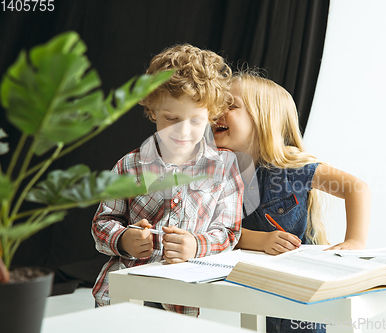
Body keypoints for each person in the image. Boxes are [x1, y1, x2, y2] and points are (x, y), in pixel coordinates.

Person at [91, 45, 244, 317]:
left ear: (211, 116)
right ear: (152, 110)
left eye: (195, 121)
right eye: (170, 118)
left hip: (181, 298)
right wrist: (124, 239)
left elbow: (229, 232)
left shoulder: (224, 167)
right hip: (123, 293)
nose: (182, 131)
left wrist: (197, 245)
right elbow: (102, 223)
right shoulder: (129, 166)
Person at [213, 71, 371, 332]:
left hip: (303, 284)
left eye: (230, 105)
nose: (217, 113)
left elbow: (357, 188)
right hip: (258, 286)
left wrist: (355, 242)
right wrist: (261, 241)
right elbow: (220, 233)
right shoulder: (222, 173)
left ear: (262, 118)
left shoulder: (291, 168)